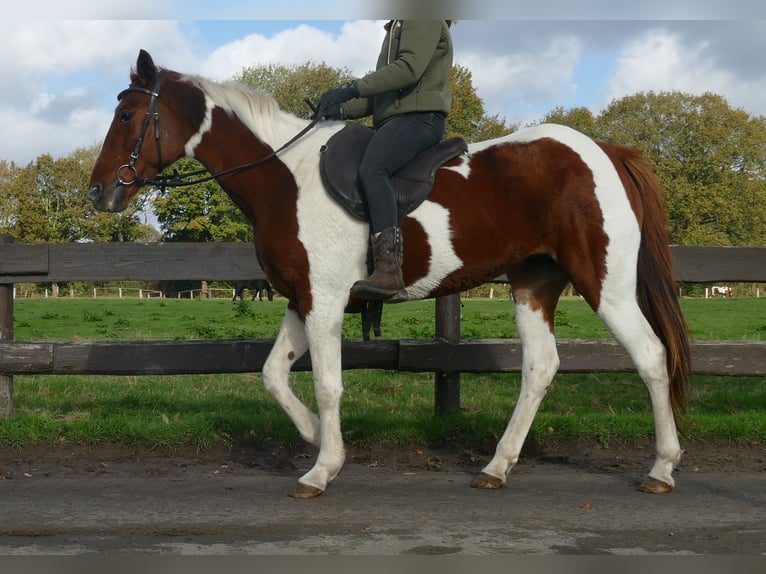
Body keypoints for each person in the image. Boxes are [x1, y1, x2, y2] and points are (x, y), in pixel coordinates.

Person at [318, 20, 454, 300]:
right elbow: (380, 95)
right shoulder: (397, 26)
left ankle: (388, 270)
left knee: (373, 169)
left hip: (419, 118)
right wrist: (340, 110)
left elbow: (408, 70)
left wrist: (350, 87)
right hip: (394, 120)